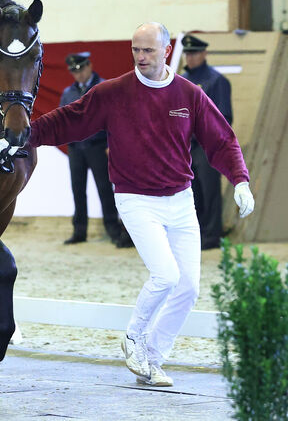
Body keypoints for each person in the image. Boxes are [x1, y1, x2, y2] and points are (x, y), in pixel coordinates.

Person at [28, 22, 254, 387]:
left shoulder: (189, 94)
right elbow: (72, 119)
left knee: (189, 288)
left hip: (181, 200)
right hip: (134, 198)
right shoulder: (113, 92)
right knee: (166, 275)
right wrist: (27, 134)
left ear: (167, 51)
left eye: (148, 50)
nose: (141, 56)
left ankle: (152, 358)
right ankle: (134, 336)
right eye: (136, 49)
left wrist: (240, 180)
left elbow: (221, 139)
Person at [60, 52, 131, 247]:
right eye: (74, 71)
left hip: (98, 146)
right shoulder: (68, 93)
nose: (79, 74)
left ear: (89, 66)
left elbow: (116, 119)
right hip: (76, 148)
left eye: (81, 69)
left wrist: (111, 144)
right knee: (78, 190)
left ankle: (113, 229)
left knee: (105, 190)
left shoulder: (105, 88)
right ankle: (79, 230)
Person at [181, 34, 233, 249]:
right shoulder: (181, 81)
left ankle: (212, 234)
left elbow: (224, 117)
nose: (190, 57)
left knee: (209, 190)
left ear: (204, 54)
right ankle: (197, 233)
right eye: (187, 53)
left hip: (206, 145)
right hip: (185, 146)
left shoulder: (216, 81)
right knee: (191, 192)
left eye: (194, 53)